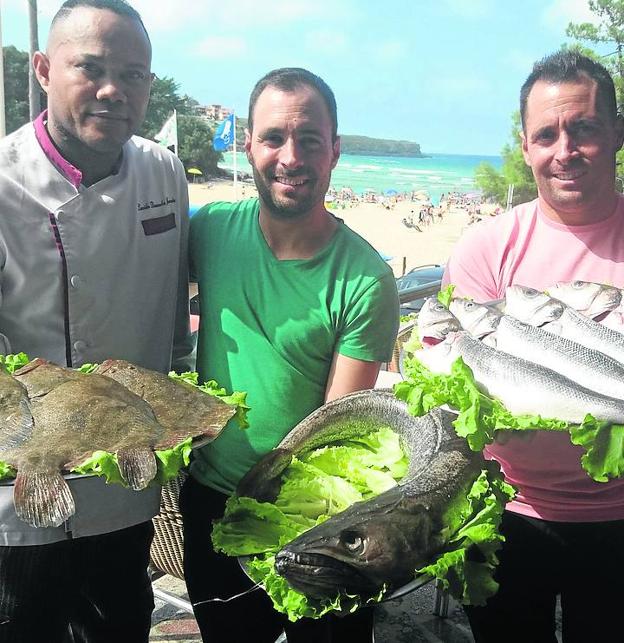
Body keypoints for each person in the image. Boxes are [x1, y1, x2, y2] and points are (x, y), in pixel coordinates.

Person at [181, 67, 400, 643]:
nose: (290, 156)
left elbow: (339, 427)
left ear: (334, 151)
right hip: (212, 503)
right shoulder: (209, 230)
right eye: (274, 137)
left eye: (309, 140)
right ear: (248, 145)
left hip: (319, 515)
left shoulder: (365, 277)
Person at [0, 1, 193, 641]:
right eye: (92, 69)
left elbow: (171, 317)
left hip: (124, 481)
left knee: (120, 627)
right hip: (21, 490)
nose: (115, 90)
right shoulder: (3, 183)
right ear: (43, 70)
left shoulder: (163, 170)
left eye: (135, 75)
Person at [443, 51, 624, 643]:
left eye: (585, 128)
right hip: (507, 513)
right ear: (525, 147)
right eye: (546, 134)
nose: (564, 150)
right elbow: (456, 387)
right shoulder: (486, 248)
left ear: (616, 134)